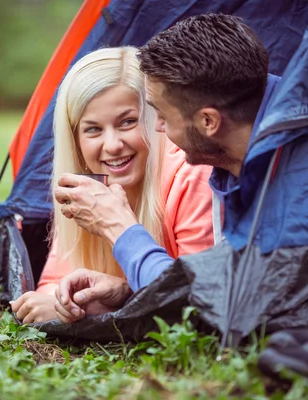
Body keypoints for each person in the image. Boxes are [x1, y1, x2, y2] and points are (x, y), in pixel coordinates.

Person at [52, 13, 281, 323]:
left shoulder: (300, 173)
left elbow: (210, 309)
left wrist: (117, 227)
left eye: (159, 115)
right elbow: (212, 289)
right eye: (92, 129)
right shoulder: (236, 164)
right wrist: (127, 296)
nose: (157, 127)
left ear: (209, 122)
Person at [10, 46, 216, 323]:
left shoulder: (192, 174)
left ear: (154, 118)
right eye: (93, 129)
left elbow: (198, 303)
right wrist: (66, 304)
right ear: (76, 140)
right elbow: (53, 284)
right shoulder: (83, 190)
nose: (113, 145)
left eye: (127, 122)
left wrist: (119, 300)